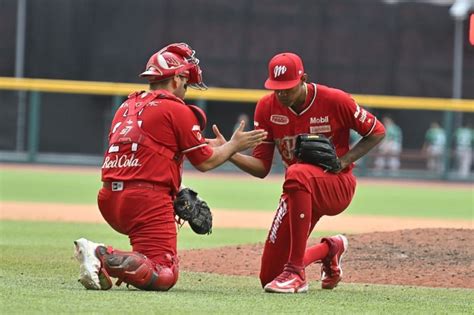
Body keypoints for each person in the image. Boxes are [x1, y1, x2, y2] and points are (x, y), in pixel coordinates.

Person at [73, 43, 267, 291]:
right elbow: (206, 162)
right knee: (165, 273)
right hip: (144, 202)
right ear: (176, 79)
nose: (186, 89)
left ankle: (119, 263)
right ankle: (100, 255)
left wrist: (178, 188)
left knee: (146, 262)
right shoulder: (176, 108)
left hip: (109, 199)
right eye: (186, 82)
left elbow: (145, 156)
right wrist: (234, 145)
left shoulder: (126, 106)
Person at [209, 52, 385, 293]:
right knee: (269, 276)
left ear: (304, 79)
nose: (281, 94)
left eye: (288, 88)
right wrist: (230, 151)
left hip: (335, 184)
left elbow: (377, 131)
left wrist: (344, 160)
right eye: (276, 88)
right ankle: (329, 249)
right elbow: (261, 168)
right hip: (297, 191)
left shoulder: (335, 100)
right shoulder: (266, 107)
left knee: (297, 172)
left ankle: (296, 274)